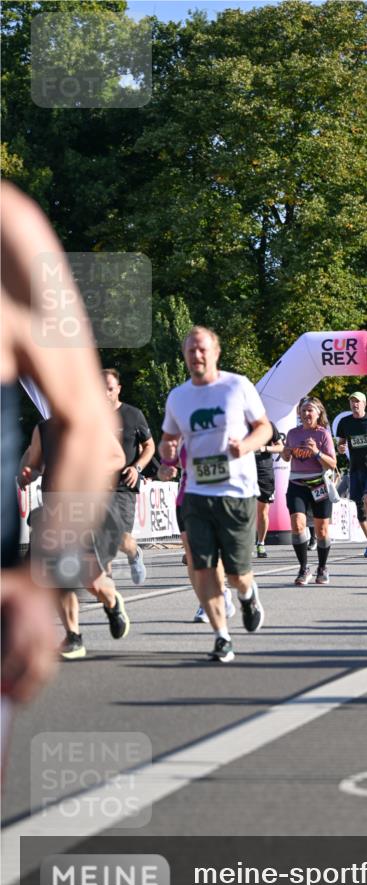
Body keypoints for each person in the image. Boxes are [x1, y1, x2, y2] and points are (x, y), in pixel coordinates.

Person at [1, 181, 120, 703]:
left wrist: (34, 592)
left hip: (75, 501)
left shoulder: (11, 226)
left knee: (74, 569)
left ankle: (95, 609)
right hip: (45, 491)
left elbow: (92, 424)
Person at [160, 326, 271, 662]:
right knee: (202, 566)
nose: (197, 355)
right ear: (185, 355)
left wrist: (245, 446)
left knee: (236, 573)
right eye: (191, 350)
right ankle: (222, 636)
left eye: (203, 349)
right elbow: (167, 440)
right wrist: (168, 453)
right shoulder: (178, 396)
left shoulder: (237, 386)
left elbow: (264, 428)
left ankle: (248, 595)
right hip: (196, 491)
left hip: (236, 491)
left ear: (216, 352)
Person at [17, 417, 130, 658]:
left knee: (92, 580)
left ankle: (111, 602)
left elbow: (118, 458)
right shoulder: (43, 429)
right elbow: (35, 463)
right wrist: (28, 473)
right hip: (55, 512)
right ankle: (73, 637)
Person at [157, 444, 235, 624]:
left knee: (211, 552)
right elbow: (164, 468)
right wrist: (165, 471)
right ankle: (207, 601)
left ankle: (220, 593)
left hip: (218, 497)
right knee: (192, 556)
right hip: (187, 500)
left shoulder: (223, 425)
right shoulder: (179, 430)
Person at [102, 369, 155, 584]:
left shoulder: (133, 414)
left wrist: (137, 468)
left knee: (120, 538)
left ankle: (134, 553)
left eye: (110, 389)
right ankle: (106, 585)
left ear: (118, 389)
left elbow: (149, 446)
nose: (105, 394)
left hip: (124, 485)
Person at [282, 396, 337, 585]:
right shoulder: (292, 433)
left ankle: (322, 567)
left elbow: (332, 464)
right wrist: (285, 453)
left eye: (310, 410)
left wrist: (316, 452)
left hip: (319, 484)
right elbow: (286, 457)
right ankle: (304, 568)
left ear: (318, 413)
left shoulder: (323, 435)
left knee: (321, 531)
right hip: (297, 484)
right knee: (297, 524)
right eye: (303, 410)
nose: (306, 414)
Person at [335, 391, 367, 557]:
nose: (355, 404)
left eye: (357, 402)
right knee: (359, 507)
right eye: (352, 402)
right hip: (355, 468)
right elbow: (341, 444)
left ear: (364, 403)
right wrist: (341, 448)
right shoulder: (345, 422)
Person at [254, 421, 284, 558]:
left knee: (263, 511)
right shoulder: (237, 422)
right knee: (242, 511)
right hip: (242, 472)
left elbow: (280, 447)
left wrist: (265, 448)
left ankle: (260, 543)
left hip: (264, 472)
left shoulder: (267, 425)